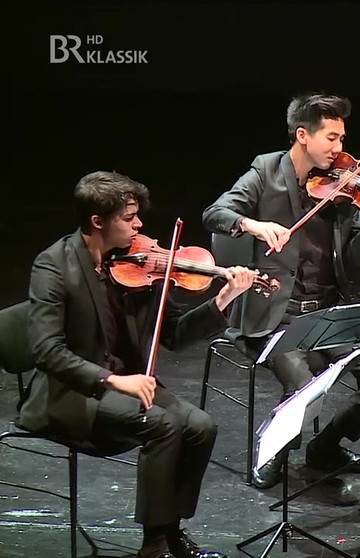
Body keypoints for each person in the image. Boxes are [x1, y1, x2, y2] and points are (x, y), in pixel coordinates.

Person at [18, 171, 257, 558]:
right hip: (73, 393)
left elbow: (176, 333)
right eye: (129, 218)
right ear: (98, 221)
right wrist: (114, 380)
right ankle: (154, 545)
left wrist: (224, 298)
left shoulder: (138, 265)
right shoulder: (54, 267)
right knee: (164, 424)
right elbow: (47, 351)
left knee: (200, 426)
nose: (140, 225)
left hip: (127, 387)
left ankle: (172, 531)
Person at [202, 92, 360, 491]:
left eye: (342, 139)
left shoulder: (340, 189)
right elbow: (215, 213)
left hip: (328, 312)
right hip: (274, 314)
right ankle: (272, 451)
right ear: (302, 135)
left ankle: (325, 448)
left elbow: (353, 259)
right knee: (305, 387)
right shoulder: (265, 172)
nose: (340, 149)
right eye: (331, 138)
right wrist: (254, 226)